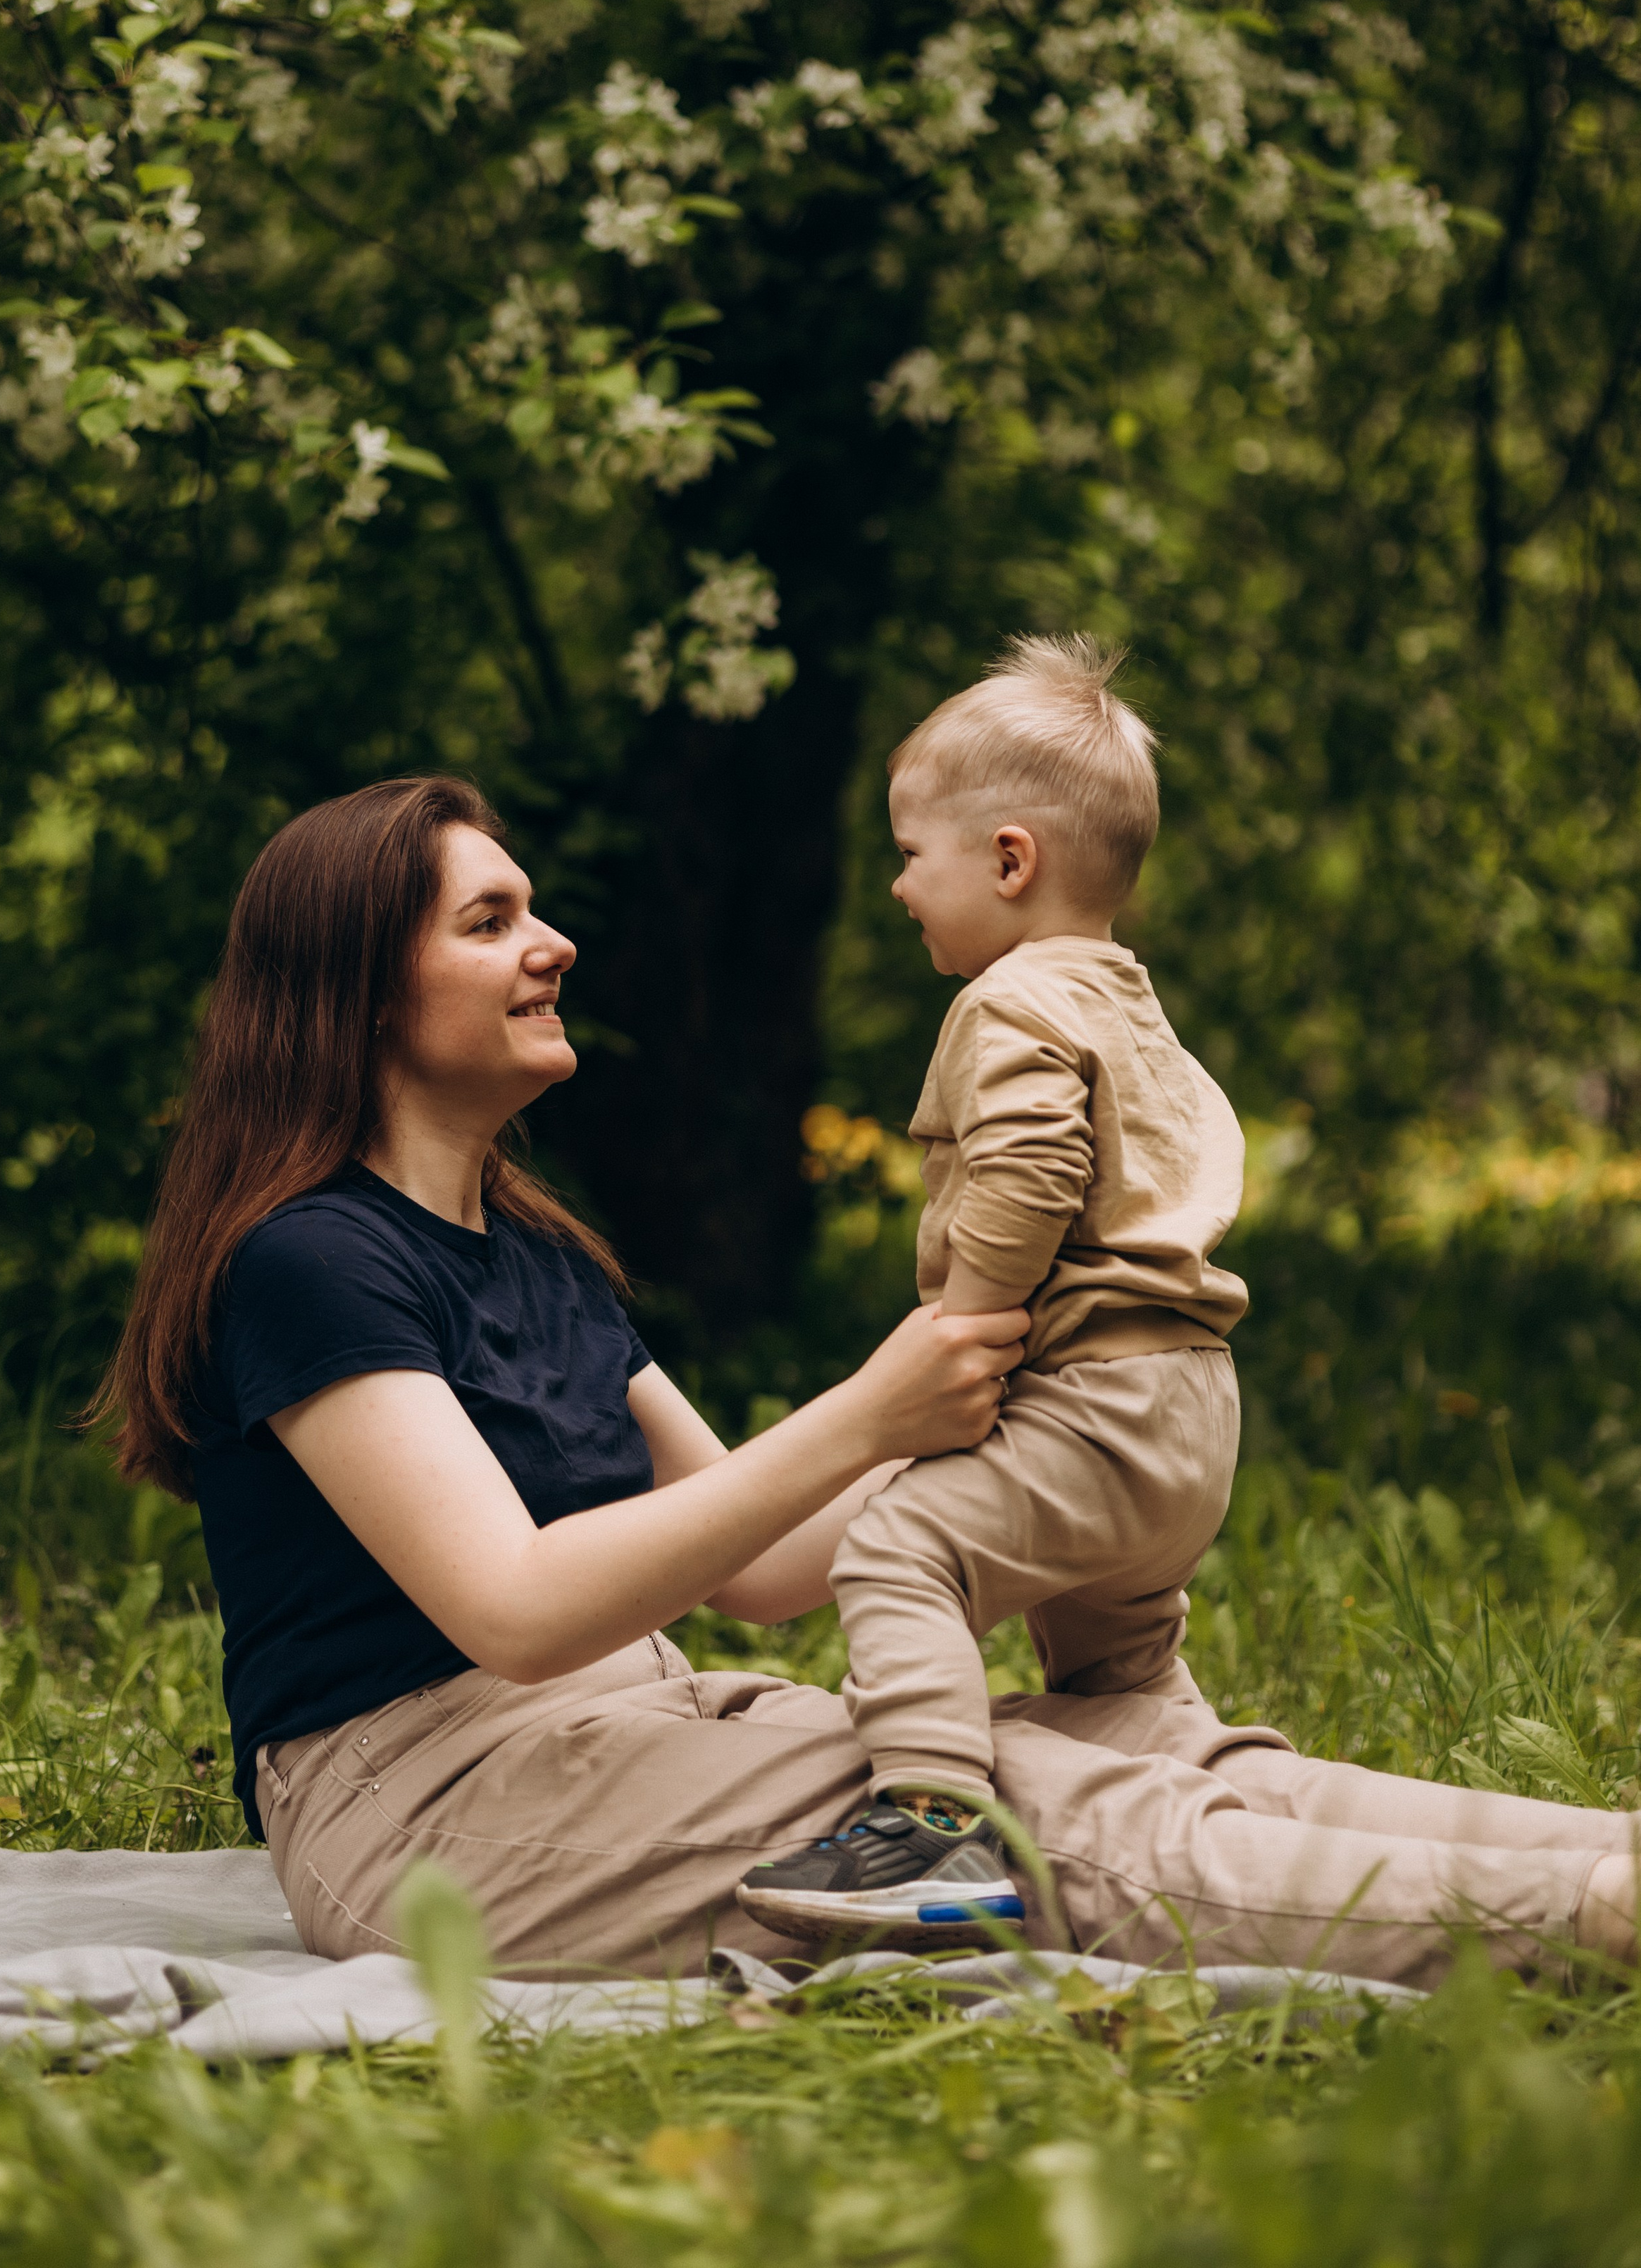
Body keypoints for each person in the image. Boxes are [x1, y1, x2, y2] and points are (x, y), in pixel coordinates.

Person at [96, 772, 1637, 1990]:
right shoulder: (308, 1261)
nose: (551, 943)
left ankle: (1609, 1850)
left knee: (1119, 1745)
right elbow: (515, 1610)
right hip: (428, 1807)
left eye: (532, 911)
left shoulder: (541, 1257)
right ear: (365, 992)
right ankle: (1585, 1920)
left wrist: (1051, 1426)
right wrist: (869, 1410)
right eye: (491, 922)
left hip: (640, 1726)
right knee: (1017, 1818)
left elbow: (761, 1567)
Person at [740, 636, 1247, 1941]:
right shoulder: (1130, 1004)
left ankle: (930, 1825)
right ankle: (1232, 1800)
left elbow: (1031, 1164)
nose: (899, 885)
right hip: (1186, 1411)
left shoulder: (1011, 1001)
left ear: (1011, 861)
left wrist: (963, 1317)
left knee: (899, 1547)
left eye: (913, 854)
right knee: (1116, 1667)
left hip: (1091, 1402)